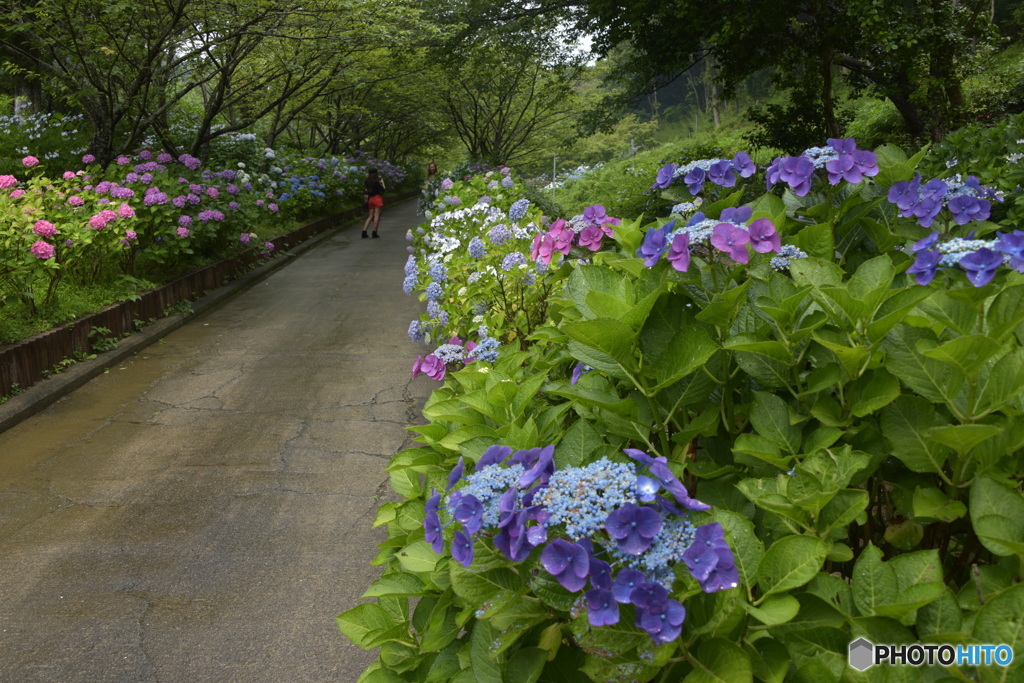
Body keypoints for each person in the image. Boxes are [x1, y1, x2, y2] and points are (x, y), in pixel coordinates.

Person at [362, 169, 386, 238]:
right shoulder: (376, 182)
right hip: (377, 198)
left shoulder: (367, 182)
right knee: (376, 216)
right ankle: (374, 232)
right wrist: (382, 182)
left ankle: (364, 231)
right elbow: (383, 190)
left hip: (371, 199)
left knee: (370, 216)